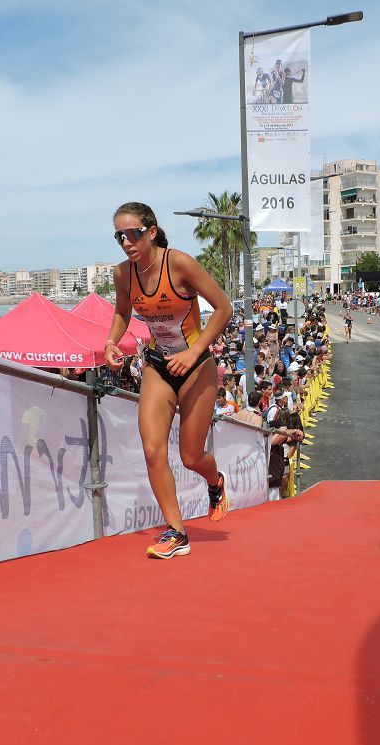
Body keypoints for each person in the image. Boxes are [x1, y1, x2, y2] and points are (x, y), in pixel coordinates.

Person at [105, 202, 233, 560]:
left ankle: (215, 481)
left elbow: (223, 308)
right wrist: (111, 342)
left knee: (191, 455)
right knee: (151, 449)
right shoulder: (123, 274)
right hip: (158, 365)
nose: (126, 242)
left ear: (150, 230)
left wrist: (194, 353)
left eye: (132, 233)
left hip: (196, 365)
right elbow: (121, 311)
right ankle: (176, 531)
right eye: (119, 236)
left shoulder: (178, 263)